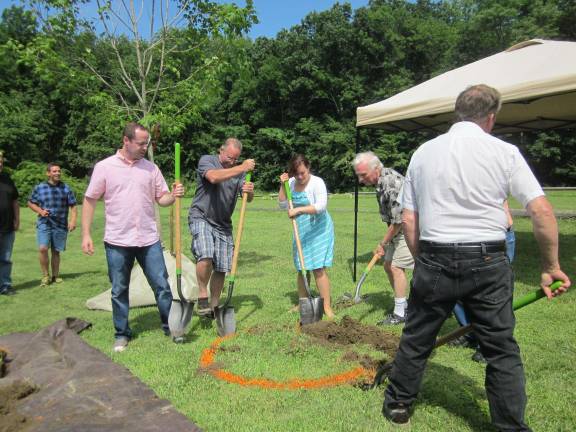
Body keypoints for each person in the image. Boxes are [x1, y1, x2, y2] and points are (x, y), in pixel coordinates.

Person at [382, 84, 571, 430]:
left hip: (435, 256)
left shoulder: (423, 153)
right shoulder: (504, 151)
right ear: (491, 117)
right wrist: (551, 267)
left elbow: (409, 218)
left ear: (457, 112)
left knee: (417, 335)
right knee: (500, 348)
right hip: (487, 261)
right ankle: (510, 426)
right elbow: (541, 210)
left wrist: (426, 259)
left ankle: (397, 404)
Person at [81, 122, 185, 352]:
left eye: (146, 143)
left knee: (162, 285)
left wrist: (174, 195)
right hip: (118, 240)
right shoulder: (105, 167)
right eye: (140, 143)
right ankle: (121, 333)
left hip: (148, 239)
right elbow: (89, 199)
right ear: (126, 141)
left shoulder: (151, 168)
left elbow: (162, 199)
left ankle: (171, 327)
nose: (144, 147)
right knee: (119, 289)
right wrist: (86, 233)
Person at [188, 138, 255, 317]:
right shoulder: (207, 160)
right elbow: (213, 177)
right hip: (201, 216)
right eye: (229, 157)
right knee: (206, 254)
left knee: (222, 267)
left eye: (235, 159)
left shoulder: (239, 172)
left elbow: (247, 198)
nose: (231, 162)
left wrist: (249, 190)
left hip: (223, 224)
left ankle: (214, 305)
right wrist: (242, 167)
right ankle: (202, 294)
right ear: (221, 150)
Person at [352, 151, 414, 325]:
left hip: (408, 227)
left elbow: (398, 220)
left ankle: (401, 313)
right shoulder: (381, 182)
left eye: (363, 175)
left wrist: (383, 243)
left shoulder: (391, 183)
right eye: (359, 175)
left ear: (376, 168)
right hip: (397, 228)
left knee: (396, 267)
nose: (361, 180)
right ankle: (404, 304)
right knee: (388, 265)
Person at [451, 200, 516, 363]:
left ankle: (489, 344)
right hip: (463, 238)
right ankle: (469, 331)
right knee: (456, 287)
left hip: (495, 237)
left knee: (490, 294)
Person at [278, 154, 335, 319]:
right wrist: (283, 185)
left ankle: (326, 307)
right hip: (301, 229)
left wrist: (299, 210)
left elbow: (321, 206)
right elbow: (282, 205)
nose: (301, 177)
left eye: (303, 172)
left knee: (318, 268)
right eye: (297, 174)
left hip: (319, 229)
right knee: (302, 268)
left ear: (308, 168)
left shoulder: (317, 182)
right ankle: (302, 303)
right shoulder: (290, 183)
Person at [28, 163, 77, 286]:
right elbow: (30, 203)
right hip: (44, 223)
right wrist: (40, 211)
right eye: (54, 171)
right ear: (48, 173)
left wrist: (72, 221)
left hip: (60, 224)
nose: (58, 173)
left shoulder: (66, 188)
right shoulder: (40, 187)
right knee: (43, 248)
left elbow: (73, 206)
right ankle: (45, 276)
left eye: (59, 171)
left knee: (56, 251)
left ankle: (55, 276)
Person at [0, 151, 19, 296]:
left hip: (7, 227)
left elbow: (14, 201)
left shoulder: (7, 179)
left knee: (5, 259)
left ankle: (5, 286)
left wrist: (17, 219)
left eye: (1, 161)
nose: (0, 163)